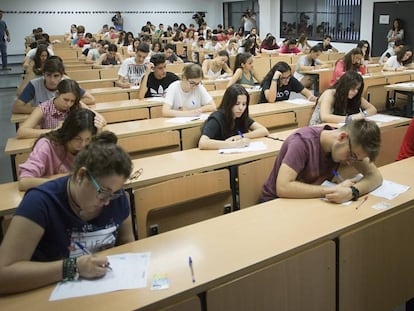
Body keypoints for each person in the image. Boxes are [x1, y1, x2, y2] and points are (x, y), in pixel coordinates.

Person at [0, 129, 134, 294]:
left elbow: (128, 245)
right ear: (81, 175)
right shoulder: (40, 202)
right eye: (103, 192)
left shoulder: (117, 198)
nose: (107, 201)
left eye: (115, 193)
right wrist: (73, 267)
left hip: (104, 292)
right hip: (47, 295)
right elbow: (3, 275)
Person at [260, 119, 383, 203]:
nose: (350, 162)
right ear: (342, 137)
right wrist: (332, 190)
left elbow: (375, 176)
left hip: (309, 200)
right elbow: (283, 187)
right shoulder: (302, 142)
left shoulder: (351, 145)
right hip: (276, 202)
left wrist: (352, 192)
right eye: (351, 155)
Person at [18, 109, 99, 191]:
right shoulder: (47, 145)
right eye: (77, 139)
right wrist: (63, 182)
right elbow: (24, 182)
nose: (83, 145)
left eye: (88, 139)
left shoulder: (91, 146)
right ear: (68, 133)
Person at [16, 79, 106, 139]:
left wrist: (100, 120)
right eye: (65, 100)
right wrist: (54, 131)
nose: (69, 104)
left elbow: (100, 119)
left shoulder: (77, 104)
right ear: (57, 94)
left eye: (72, 101)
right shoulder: (44, 108)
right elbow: (21, 132)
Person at [13, 57, 96, 114]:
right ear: (43, 74)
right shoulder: (34, 84)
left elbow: (91, 99)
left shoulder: (67, 83)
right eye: (48, 75)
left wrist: (69, 104)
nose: (52, 80)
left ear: (62, 75)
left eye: (56, 76)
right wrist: (43, 110)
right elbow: (16, 108)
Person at [199, 84, 269, 149]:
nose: (241, 108)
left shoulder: (241, 116)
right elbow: (203, 143)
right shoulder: (217, 118)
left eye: (244, 104)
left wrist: (238, 137)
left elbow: (264, 131)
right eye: (237, 104)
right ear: (229, 103)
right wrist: (234, 144)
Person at [309, 71, 377, 125]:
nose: (355, 91)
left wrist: (362, 115)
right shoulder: (330, 93)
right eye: (353, 88)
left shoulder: (354, 95)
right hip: (320, 129)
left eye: (358, 89)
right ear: (345, 86)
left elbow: (372, 109)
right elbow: (325, 117)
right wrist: (350, 119)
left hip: (338, 127)